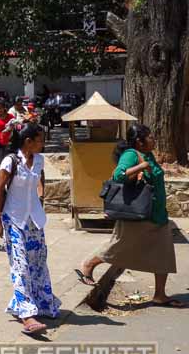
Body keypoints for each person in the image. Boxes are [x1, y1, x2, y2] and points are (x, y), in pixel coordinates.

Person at [75, 124, 184, 307]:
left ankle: (159, 294)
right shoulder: (132, 154)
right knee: (119, 247)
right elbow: (118, 176)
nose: (153, 139)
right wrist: (141, 166)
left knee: (163, 253)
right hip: (139, 215)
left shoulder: (148, 155)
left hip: (156, 214)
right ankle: (88, 264)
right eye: (149, 137)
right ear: (139, 142)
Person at [0, 123, 61, 335]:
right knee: (20, 266)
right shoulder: (10, 161)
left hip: (35, 220)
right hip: (14, 219)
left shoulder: (39, 160)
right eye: (40, 140)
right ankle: (27, 315)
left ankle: (41, 303)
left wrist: (40, 197)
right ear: (28, 142)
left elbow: (40, 181)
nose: (43, 143)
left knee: (38, 264)